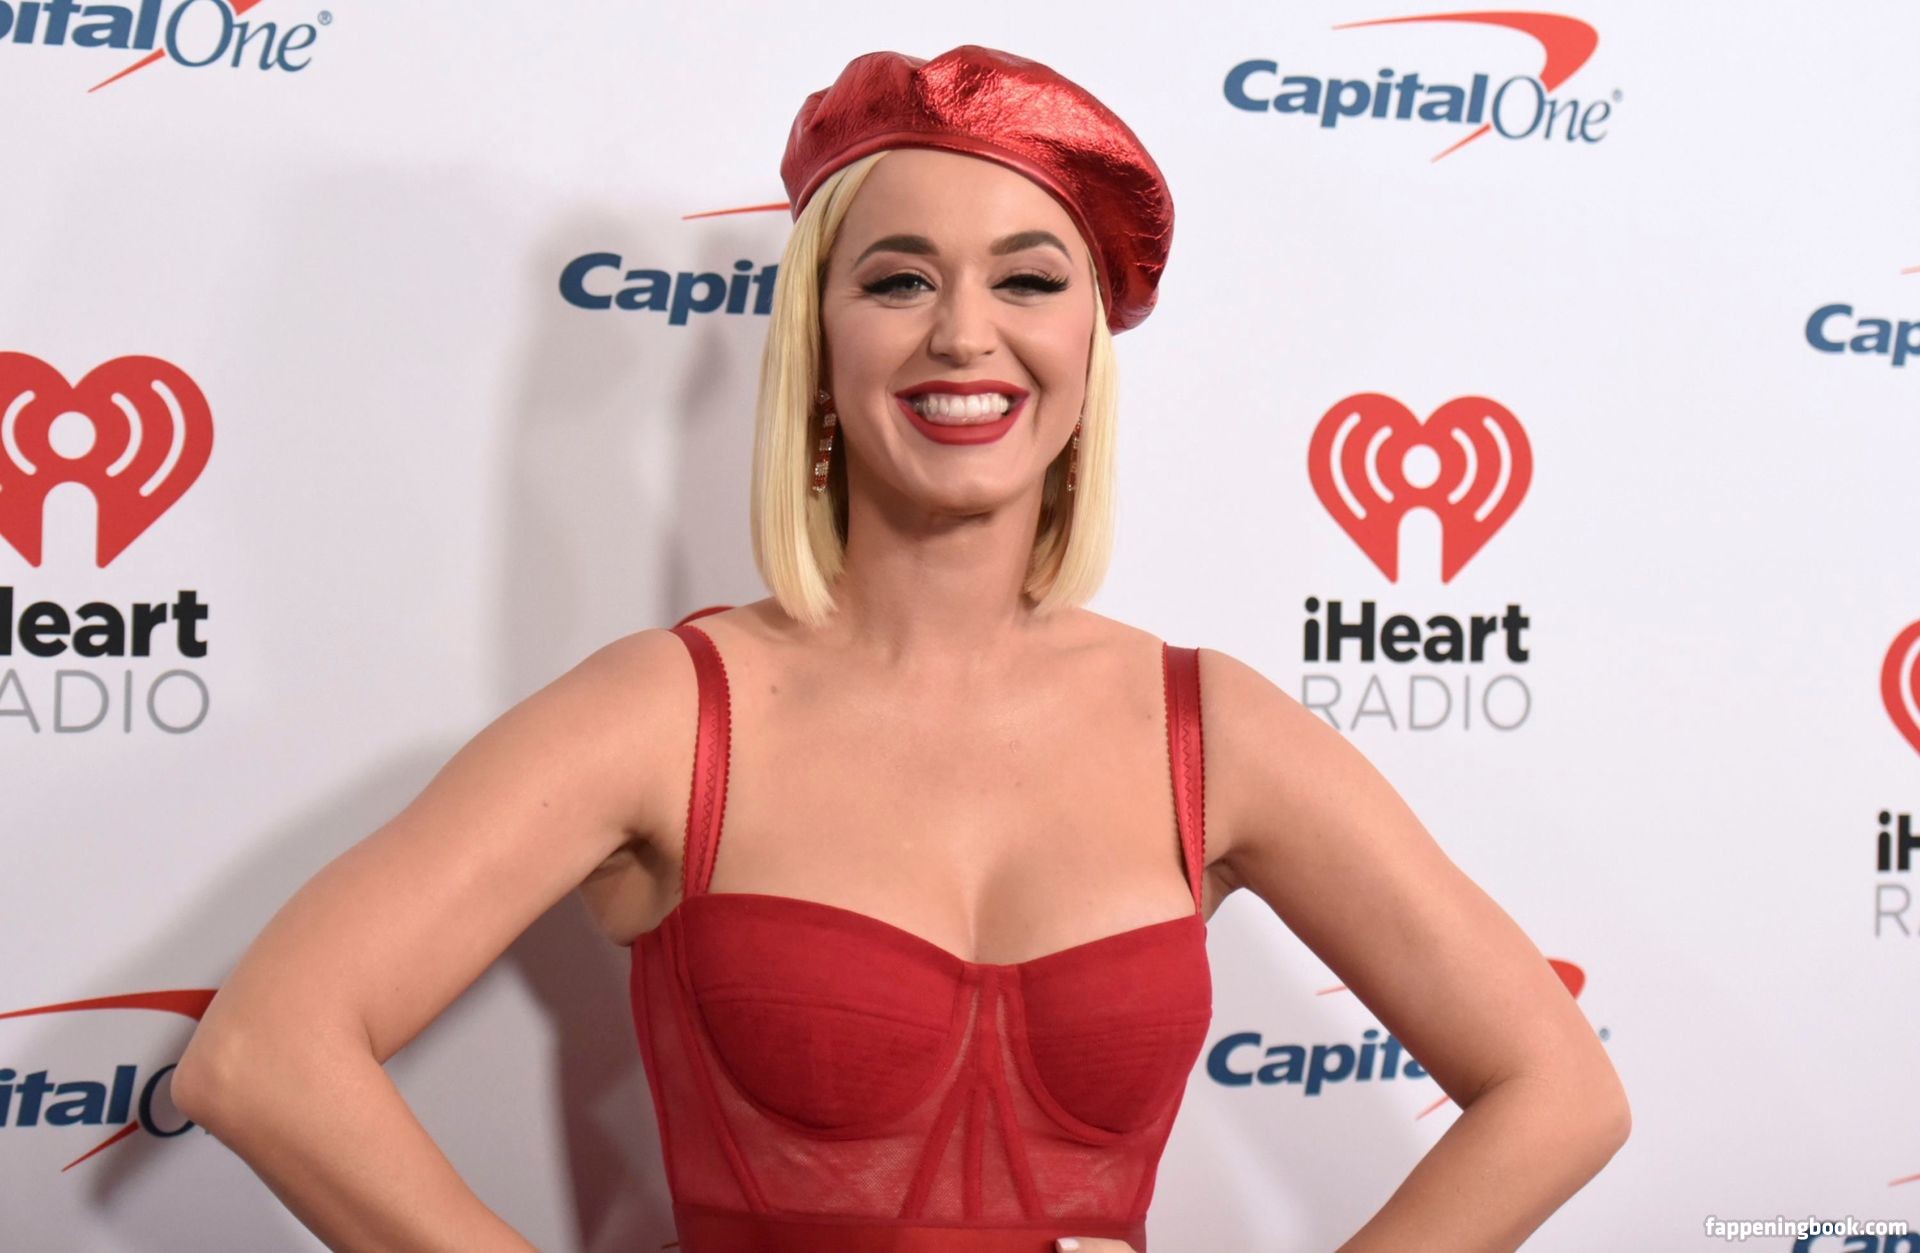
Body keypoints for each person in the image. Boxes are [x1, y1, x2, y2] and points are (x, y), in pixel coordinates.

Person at [171, 44, 1629, 1253]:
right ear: (820, 339)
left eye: (1029, 280)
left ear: (1089, 348)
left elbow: (1557, 1089)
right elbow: (264, 1054)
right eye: (899, 280)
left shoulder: (1209, 728)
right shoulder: (671, 713)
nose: (964, 336)